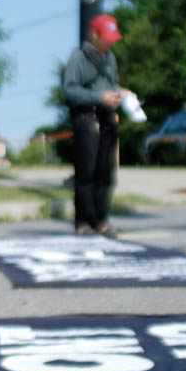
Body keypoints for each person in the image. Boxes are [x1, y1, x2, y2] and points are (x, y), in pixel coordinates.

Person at [62, 13, 131, 237]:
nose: (111, 41)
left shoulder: (110, 58)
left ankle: (102, 220)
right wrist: (99, 98)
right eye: (107, 36)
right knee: (86, 173)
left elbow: (111, 84)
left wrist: (120, 93)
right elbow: (70, 90)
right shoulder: (78, 57)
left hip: (108, 120)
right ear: (94, 34)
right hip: (87, 120)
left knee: (106, 173)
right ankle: (83, 221)